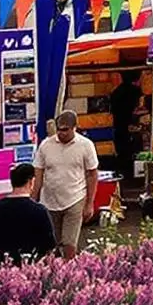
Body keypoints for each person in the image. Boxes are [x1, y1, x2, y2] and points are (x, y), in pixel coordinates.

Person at [35, 110, 101, 257]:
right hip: (49, 201)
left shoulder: (86, 145)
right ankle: (56, 272)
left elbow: (92, 174)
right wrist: (33, 199)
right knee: (53, 243)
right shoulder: (46, 145)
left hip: (75, 199)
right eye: (59, 129)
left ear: (74, 128)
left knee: (69, 243)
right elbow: (38, 173)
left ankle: (69, 272)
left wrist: (89, 203)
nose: (61, 133)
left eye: (65, 130)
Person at [0, 163, 55, 267]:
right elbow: (49, 246)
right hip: (30, 269)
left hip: (0, 267)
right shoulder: (39, 211)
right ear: (31, 182)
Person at [105, 71, 142, 178]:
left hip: (118, 123)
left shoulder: (116, 92)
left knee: (121, 147)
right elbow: (137, 107)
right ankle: (129, 171)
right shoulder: (135, 91)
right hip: (130, 122)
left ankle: (122, 170)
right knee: (130, 147)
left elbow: (112, 108)